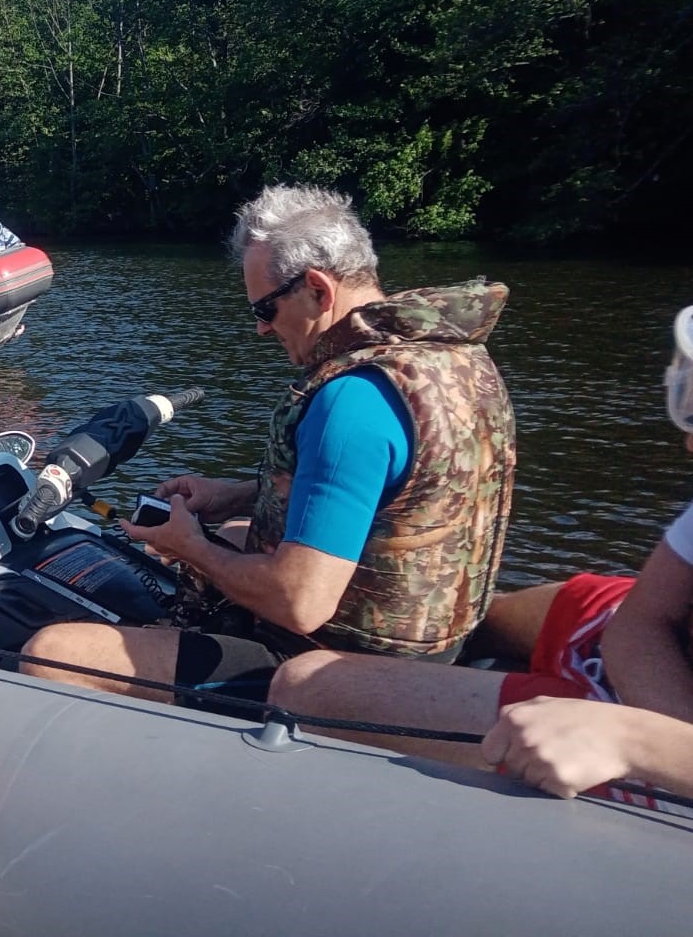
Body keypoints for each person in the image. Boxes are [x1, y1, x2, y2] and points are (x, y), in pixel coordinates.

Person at [21, 184, 516, 707]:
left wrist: (191, 548)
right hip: (430, 634)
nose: (260, 329)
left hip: (340, 670)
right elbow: (401, 493)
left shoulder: (352, 398)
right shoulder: (454, 361)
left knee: (55, 651)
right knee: (238, 530)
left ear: (319, 291)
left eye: (266, 308)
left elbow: (300, 602)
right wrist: (236, 495)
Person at [266, 305, 693, 804]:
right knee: (470, 619)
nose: (687, 441)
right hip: (633, 639)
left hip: (649, 748)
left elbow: (302, 602)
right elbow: (642, 621)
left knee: (305, 685)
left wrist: (641, 741)